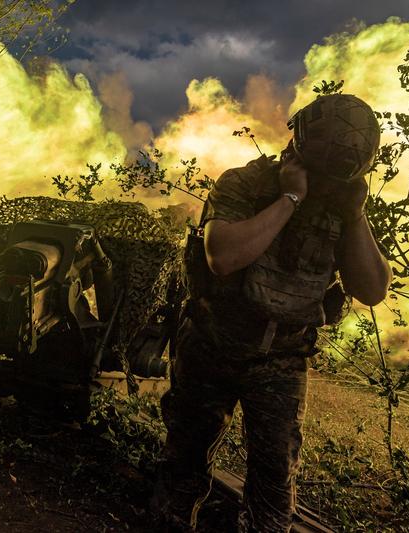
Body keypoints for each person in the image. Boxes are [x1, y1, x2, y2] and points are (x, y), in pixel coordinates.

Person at [156, 94, 392, 531]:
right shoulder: (246, 184)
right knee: (184, 467)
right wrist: (289, 199)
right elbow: (223, 257)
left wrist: (355, 216)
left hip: (282, 356)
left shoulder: (341, 202)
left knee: (273, 491)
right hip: (213, 341)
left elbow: (373, 289)